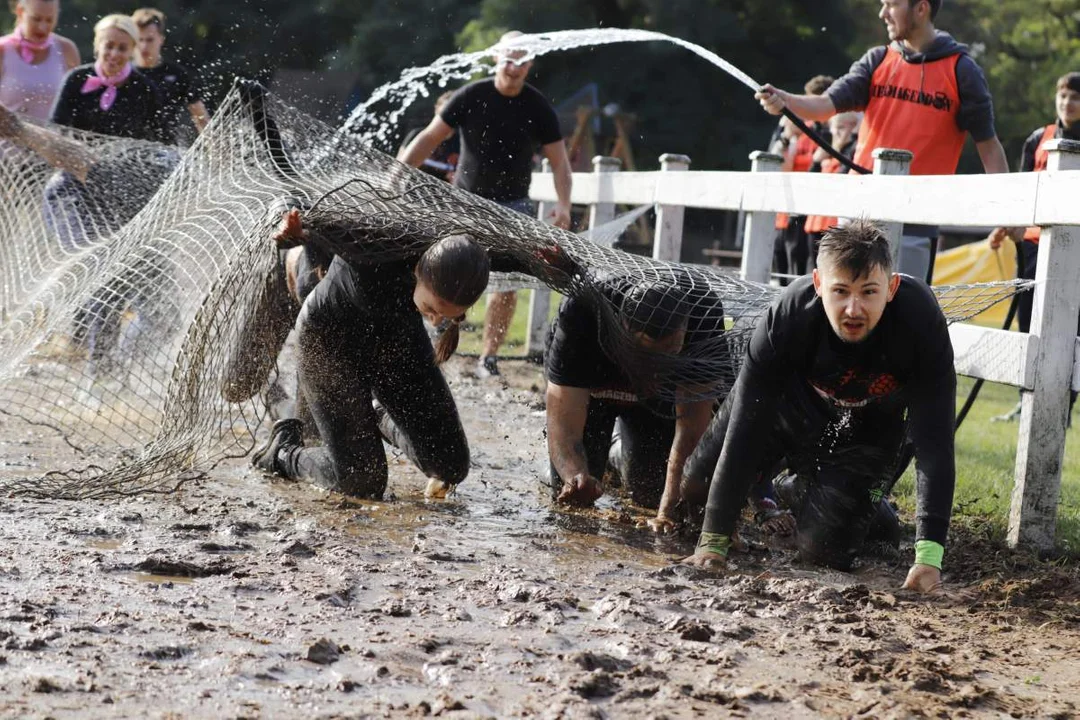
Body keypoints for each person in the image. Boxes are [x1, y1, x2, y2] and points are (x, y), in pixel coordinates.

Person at [682, 219, 955, 595]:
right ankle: (800, 487)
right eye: (840, 291)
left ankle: (833, 498)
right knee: (695, 487)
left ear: (891, 288)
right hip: (790, 409)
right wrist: (712, 541)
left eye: (868, 292)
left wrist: (928, 557)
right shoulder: (788, 315)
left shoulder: (920, 321)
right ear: (818, 284)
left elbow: (935, 440)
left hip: (868, 428)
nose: (853, 309)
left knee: (823, 551)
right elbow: (746, 424)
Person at [755, 0, 1011, 283]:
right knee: (841, 308)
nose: (882, 13)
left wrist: (1009, 211)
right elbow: (824, 105)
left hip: (917, 222)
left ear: (921, 8)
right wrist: (785, 100)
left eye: (891, 4)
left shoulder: (963, 70)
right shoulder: (876, 59)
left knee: (901, 314)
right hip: (856, 213)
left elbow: (989, 146)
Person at [251, 208, 491, 499]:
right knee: (362, 481)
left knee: (451, 465)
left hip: (394, 341)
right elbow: (328, 223)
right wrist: (299, 231)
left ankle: (377, 413)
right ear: (419, 271)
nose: (436, 321)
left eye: (447, 316)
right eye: (432, 309)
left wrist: (549, 261)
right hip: (329, 342)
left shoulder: (467, 263)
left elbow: (510, 253)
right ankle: (283, 453)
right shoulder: (373, 250)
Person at [398, 30, 572, 379]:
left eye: (522, 59)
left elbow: (560, 162)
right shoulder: (471, 95)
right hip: (464, 201)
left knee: (506, 282)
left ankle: (488, 357)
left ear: (530, 64)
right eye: (509, 57)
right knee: (441, 269)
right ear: (497, 57)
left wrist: (564, 206)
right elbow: (430, 136)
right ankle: (436, 329)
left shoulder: (538, 107)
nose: (514, 65)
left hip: (513, 206)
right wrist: (397, 176)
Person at [988, 72, 1080, 423]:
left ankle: (1063, 407)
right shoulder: (1039, 138)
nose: (1067, 103)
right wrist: (1006, 224)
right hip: (1032, 244)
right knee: (1028, 320)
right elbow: (1024, 192)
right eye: (1062, 96)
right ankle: (1025, 400)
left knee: (1071, 327)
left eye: (1074, 97)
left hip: (1075, 247)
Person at [770, 75, 833, 283]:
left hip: (816, 210)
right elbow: (779, 166)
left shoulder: (831, 132)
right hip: (788, 209)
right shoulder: (795, 128)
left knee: (808, 273)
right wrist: (788, 136)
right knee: (783, 270)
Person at [131, 8, 209, 145]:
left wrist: (216, 152)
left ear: (161, 39)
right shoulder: (124, 74)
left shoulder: (176, 74)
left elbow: (201, 117)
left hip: (166, 151)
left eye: (149, 40)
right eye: (139, 40)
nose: (143, 46)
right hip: (126, 148)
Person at [0, 0, 79, 119]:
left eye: (49, 20)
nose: (43, 27)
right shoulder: (3, 50)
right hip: (8, 135)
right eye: (36, 19)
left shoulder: (67, 50)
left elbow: (76, 104)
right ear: (20, 12)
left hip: (52, 136)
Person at [803, 111, 861, 270]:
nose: (836, 133)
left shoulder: (854, 150)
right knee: (809, 268)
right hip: (816, 219)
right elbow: (810, 180)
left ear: (853, 127)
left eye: (841, 127)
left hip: (834, 222)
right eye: (835, 128)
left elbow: (843, 178)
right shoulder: (828, 149)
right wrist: (816, 161)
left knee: (831, 268)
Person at [398, 90, 458, 182]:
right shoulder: (416, 135)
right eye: (445, 112)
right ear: (436, 109)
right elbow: (398, 165)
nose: (448, 117)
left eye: (453, 114)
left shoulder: (461, 145)